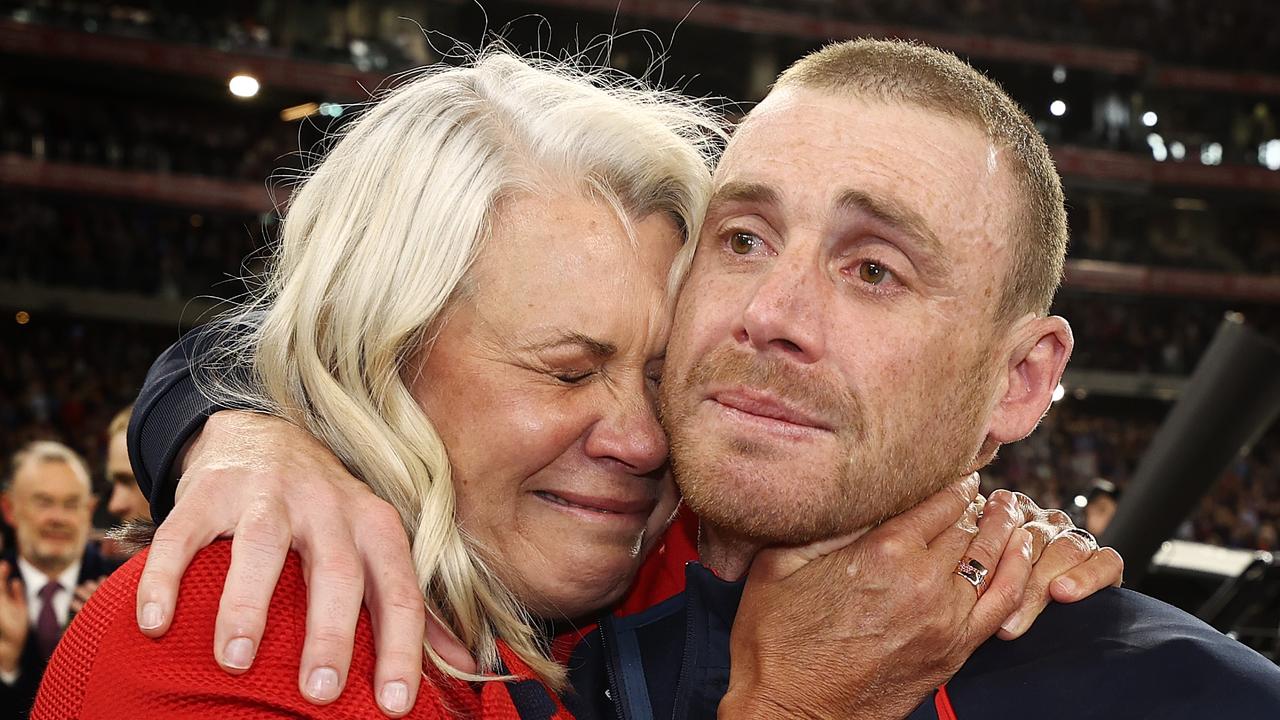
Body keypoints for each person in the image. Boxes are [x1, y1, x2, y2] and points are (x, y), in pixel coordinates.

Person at [35, 50, 1116, 719]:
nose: (642, 441)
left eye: (656, 372)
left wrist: (988, 539)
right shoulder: (226, 638)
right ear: (383, 359)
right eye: (566, 369)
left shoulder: (643, 568)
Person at [569, 39, 1280, 718]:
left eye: (874, 270)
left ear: (1019, 382)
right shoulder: (512, 601)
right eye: (745, 239)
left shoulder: (1199, 702)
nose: (769, 312)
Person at [0, 442, 118, 719]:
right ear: (9, 509)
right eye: (44, 502)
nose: (58, 518)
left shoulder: (124, 586)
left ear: (90, 510)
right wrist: (5, 667)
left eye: (71, 504)